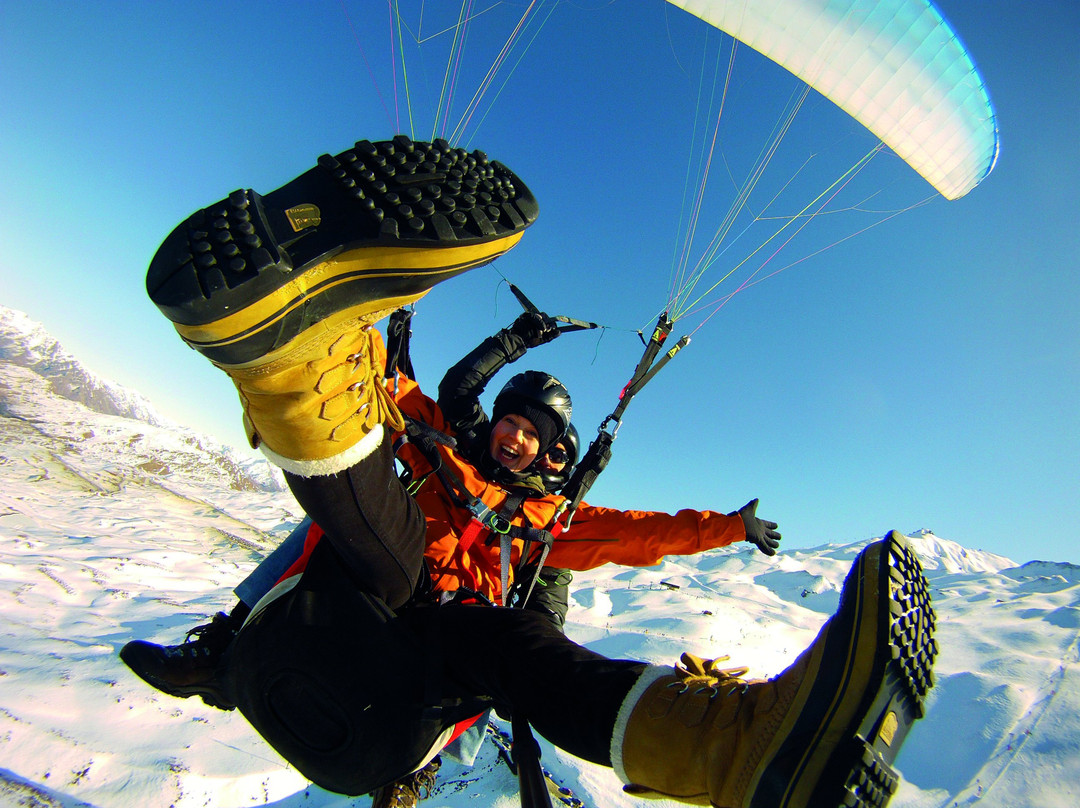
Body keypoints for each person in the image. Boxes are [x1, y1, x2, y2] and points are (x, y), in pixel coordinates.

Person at [128, 135, 936, 807]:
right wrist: (386, 326)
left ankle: (733, 751)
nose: (512, 439)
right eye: (509, 423)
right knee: (368, 501)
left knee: (518, 642)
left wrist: (730, 526)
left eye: (530, 436)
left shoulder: (549, 524)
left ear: (551, 455)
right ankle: (292, 339)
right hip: (363, 588)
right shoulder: (441, 437)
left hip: (440, 649)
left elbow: (638, 536)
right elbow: (395, 392)